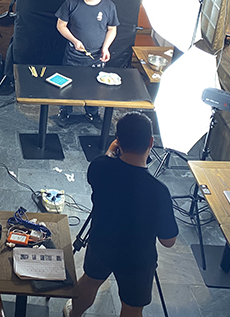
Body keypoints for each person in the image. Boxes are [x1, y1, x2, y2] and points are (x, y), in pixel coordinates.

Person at [64, 113, 178, 317]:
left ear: (118, 141)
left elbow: (106, 164)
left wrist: (110, 152)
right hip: (138, 259)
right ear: (151, 142)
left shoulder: (99, 168)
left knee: (90, 281)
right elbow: (168, 241)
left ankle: (74, 314)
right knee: (132, 307)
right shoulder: (158, 191)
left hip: (102, 244)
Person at [55, 0, 119, 123]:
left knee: (95, 86)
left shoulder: (109, 6)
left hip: (96, 56)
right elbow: (61, 25)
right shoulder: (71, 3)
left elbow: (112, 29)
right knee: (68, 84)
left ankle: (92, 113)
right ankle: (65, 112)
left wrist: (106, 48)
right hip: (73, 54)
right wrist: (75, 41)